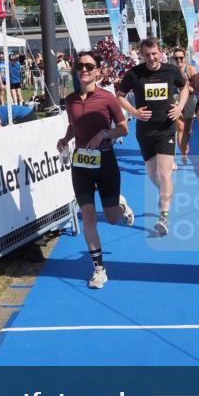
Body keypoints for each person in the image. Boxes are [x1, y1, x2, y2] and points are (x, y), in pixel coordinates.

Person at [57, 50, 134, 289]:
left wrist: (104, 133)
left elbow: (123, 129)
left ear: (98, 72)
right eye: (80, 66)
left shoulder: (107, 98)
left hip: (106, 162)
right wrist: (64, 139)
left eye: (90, 67)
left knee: (111, 218)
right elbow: (73, 126)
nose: (85, 70)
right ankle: (99, 269)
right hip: (81, 164)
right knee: (88, 216)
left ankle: (120, 204)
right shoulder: (69, 100)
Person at [117, 38, 187, 236]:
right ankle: (167, 191)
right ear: (141, 54)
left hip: (166, 129)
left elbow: (185, 87)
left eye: (154, 53)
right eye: (147, 55)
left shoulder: (171, 71)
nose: (151, 58)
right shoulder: (134, 73)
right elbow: (120, 95)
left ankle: (163, 216)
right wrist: (134, 112)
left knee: (164, 174)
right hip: (144, 131)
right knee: (154, 175)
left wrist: (180, 107)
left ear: (161, 52)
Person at [172, 49, 196, 165]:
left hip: (189, 99)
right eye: (176, 58)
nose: (179, 60)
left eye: (181, 58)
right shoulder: (171, 70)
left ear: (185, 57)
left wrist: (186, 85)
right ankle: (183, 153)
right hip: (176, 99)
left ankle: (185, 146)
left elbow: (197, 89)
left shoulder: (191, 69)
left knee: (188, 130)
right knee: (180, 128)